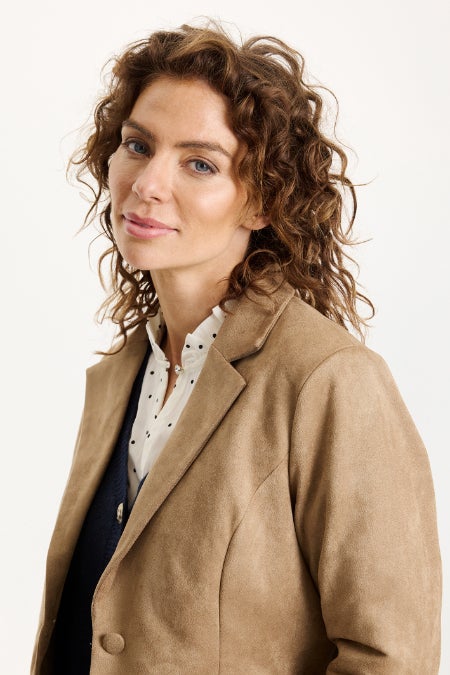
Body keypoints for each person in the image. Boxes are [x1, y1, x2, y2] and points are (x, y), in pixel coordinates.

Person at [32, 22, 441, 674]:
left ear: (262, 202)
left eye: (199, 163)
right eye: (138, 145)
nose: (147, 183)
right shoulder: (119, 376)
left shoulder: (329, 380)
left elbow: (392, 658)